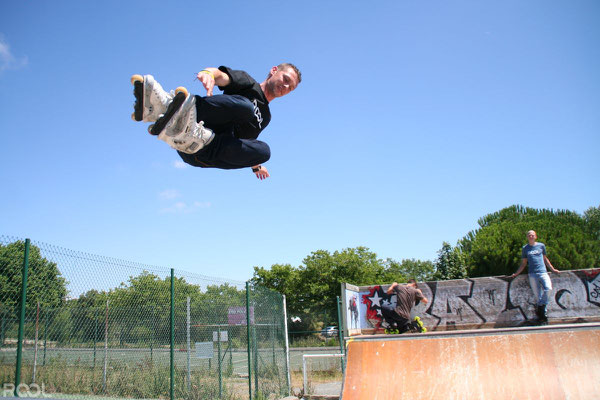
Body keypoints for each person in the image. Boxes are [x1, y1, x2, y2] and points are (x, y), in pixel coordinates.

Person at [131, 63, 301, 180]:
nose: (286, 87)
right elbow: (222, 77)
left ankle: (195, 137)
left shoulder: (266, 117)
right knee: (246, 108)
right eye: (286, 79)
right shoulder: (248, 84)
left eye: (291, 87)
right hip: (199, 119)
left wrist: (256, 166)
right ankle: (170, 110)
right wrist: (209, 73)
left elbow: (246, 144)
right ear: (274, 70)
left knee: (264, 152)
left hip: (202, 152)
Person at [510, 230, 561, 325]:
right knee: (538, 297)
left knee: (548, 288)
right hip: (532, 274)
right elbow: (524, 263)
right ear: (527, 237)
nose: (531, 236)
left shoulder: (541, 246)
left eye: (532, 235)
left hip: (543, 272)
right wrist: (516, 273)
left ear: (535, 236)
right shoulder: (525, 248)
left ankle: (541, 307)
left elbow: (545, 259)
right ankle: (543, 318)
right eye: (529, 235)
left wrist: (553, 269)